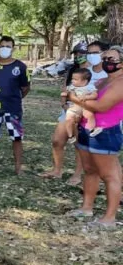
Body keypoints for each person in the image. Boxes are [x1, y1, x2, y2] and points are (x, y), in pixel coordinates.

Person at [66, 46, 123, 230]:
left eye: (111, 59)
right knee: (90, 170)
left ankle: (109, 217)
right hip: (85, 128)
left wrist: (74, 98)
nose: (107, 62)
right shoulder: (102, 81)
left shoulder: (121, 83)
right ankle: (86, 208)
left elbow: (100, 106)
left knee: (109, 175)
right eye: (105, 57)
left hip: (105, 131)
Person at [41, 42, 96, 183]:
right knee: (57, 141)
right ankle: (57, 170)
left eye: (81, 53)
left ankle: (77, 175)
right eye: (76, 54)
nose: (78, 56)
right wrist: (64, 104)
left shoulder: (97, 72)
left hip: (86, 112)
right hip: (69, 110)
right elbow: (65, 89)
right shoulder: (72, 70)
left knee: (79, 144)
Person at [0, 36, 30, 175]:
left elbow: (25, 88)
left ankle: (18, 167)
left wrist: (13, 98)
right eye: (2, 46)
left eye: (8, 46)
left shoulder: (20, 67)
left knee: (16, 137)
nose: (5, 49)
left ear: (13, 48)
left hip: (13, 109)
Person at [63, 68, 101, 143]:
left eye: (75, 79)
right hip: (75, 106)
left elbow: (95, 95)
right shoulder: (72, 87)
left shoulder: (90, 87)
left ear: (84, 81)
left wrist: (87, 97)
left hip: (86, 106)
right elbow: (69, 94)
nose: (72, 80)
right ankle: (70, 135)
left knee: (89, 115)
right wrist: (65, 94)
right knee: (68, 119)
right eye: (72, 78)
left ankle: (92, 129)